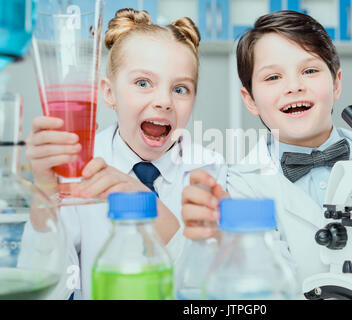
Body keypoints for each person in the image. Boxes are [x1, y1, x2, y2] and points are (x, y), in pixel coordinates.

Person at [181, 10, 352, 295]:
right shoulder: (243, 185)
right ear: (250, 100)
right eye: (273, 77)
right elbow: (269, 286)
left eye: (309, 71)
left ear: (336, 84)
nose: (294, 86)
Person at [25, 8, 226, 299]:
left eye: (180, 89)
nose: (164, 101)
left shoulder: (211, 169)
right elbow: (48, 288)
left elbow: (213, 290)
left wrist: (146, 205)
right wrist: (44, 192)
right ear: (109, 93)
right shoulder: (80, 167)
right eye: (143, 83)